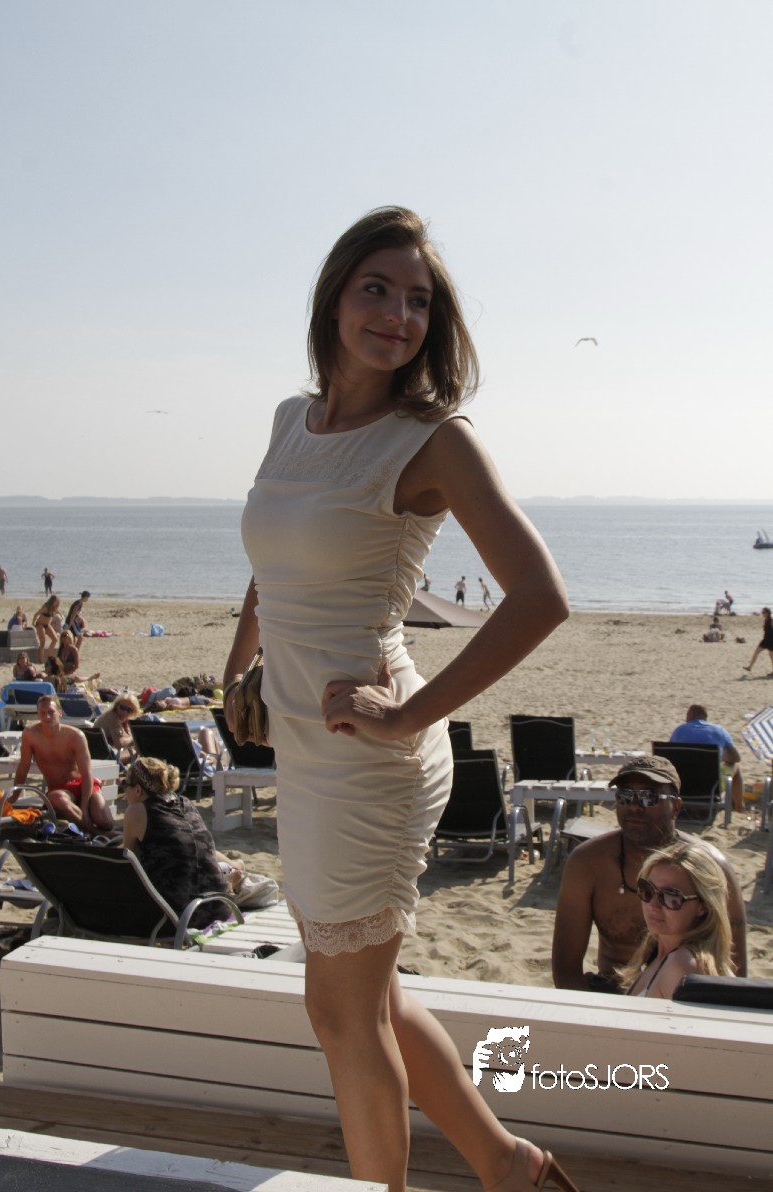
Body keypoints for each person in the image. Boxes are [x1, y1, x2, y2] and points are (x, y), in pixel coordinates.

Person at [223, 208, 571, 1192]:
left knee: (337, 1010)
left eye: (418, 301)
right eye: (376, 288)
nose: (397, 314)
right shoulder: (292, 421)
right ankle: (510, 1165)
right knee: (366, 995)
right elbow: (274, 563)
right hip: (303, 745)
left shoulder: (432, 441)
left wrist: (409, 715)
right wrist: (241, 665)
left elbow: (541, 597)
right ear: (335, 297)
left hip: (371, 757)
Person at [552, 755, 746, 994]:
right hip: (610, 991)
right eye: (624, 796)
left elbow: (735, 972)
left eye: (649, 797)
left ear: (676, 806)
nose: (635, 806)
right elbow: (566, 970)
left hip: (683, 996)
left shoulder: (710, 870)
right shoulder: (588, 862)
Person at [122, 755, 240, 927]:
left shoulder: (137, 811)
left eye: (125, 784)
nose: (124, 791)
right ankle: (235, 867)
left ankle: (235, 867)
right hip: (220, 907)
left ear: (138, 790)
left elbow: (128, 861)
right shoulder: (186, 804)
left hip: (176, 915)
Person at [621, 842, 735, 999]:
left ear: (703, 906)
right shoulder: (656, 951)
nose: (653, 905)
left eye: (671, 896)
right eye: (647, 889)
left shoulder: (682, 965)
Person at [13, 694, 114, 833]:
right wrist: (14, 796)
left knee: (105, 822)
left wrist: (84, 807)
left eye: (51, 712)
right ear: (38, 715)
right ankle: (96, 833)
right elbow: (23, 767)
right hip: (59, 790)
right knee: (58, 798)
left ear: (60, 712)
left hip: (81, 784)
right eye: (42, 713)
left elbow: (86, 773)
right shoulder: (30, 735)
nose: (47, 717)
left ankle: (96, 829)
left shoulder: (75, 736)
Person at [669, 702, 744, 813]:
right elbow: (736, 757)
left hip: (682, 786)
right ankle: (739, 807)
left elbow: (670, 755)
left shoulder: (679, 730)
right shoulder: (720, 731)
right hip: (711, 788)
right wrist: (721, 758)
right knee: (735, 766)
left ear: (691, 714)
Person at [94, 694, 140, 761]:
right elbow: (119, 744)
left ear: (134, 711)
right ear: (116, 705)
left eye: (129, 710)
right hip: (102, 756)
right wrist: (134, 737)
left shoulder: (123, 719)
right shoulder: (113, 717)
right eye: (122, 708)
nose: (125, 712)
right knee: (136, 752)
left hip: (103, 753)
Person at [744, 607, 773, 675]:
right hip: (765, 640)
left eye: (764, 612)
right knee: (756, 652)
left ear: (768, 613)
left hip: (771, 641)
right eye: (762, 612)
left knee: (771, 657)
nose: (763, 614)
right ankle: (749, 667)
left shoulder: (771, 621)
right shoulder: (765, 620)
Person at [32, 595, 60, 663]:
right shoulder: (46, 607)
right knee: (43, 643)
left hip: (47, 625)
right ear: (53, 601)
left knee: (55, 639)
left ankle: (48, 656)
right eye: (56, 601)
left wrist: (60, 615)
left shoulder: (54, 609)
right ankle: (40, 661)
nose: (57, 602)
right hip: (40, 624)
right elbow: (36, 614)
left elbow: (56, 614)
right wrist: (33, 622)